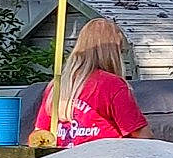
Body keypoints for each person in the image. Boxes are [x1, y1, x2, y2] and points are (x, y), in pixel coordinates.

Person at [30, 18, 151, 147]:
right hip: (106, 157)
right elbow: (143, 137)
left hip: (64, 157)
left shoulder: (57, 85)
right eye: (120, 51)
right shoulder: (113, 85)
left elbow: (38, 135)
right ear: (113, 53)